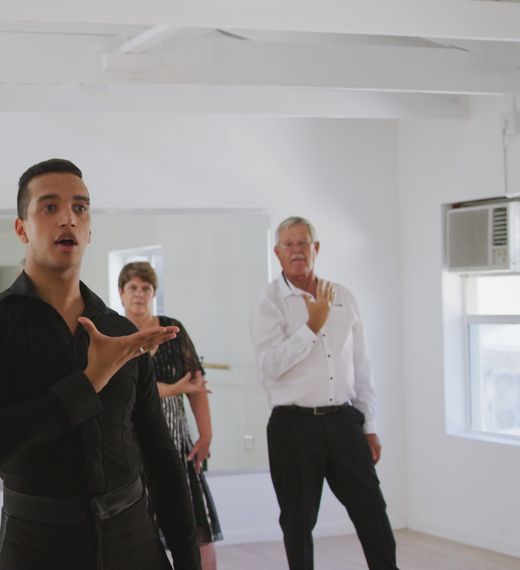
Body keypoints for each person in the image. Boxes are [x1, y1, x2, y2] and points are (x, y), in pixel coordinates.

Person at [0, 158, 199, 570]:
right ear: (21, 228)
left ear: (89, 229)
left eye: (79, 208)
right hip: (38, 544)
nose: (67, 217)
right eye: (49, 207)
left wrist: (189, 559)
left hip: (134, 539)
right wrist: (91, 379)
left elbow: (161, 457)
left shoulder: (119, 329)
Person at [250, 216, 396, 570]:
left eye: (303, 243)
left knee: (372, 511)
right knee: (298, 522)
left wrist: (369, 424)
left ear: (316, 248)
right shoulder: (269, 301)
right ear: (277, 252)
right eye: (289, 244)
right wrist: (311, 325)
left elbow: (361, 365)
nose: (297, 250)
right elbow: (270, 365)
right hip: (293, 426)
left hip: (344, 421)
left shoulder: (343, 296)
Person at [118, 261, 223, 570]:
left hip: (177, 444)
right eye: (133, 288)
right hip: (132, 446)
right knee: (138, 531)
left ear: (153, 293)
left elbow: (196, 383)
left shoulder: (172, 329)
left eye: (146, 288)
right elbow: (124, 389)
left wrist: (206, 435)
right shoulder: (116, 332)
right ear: (121, 293)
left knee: (194, 525)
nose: (139, 294)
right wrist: (173, 388)